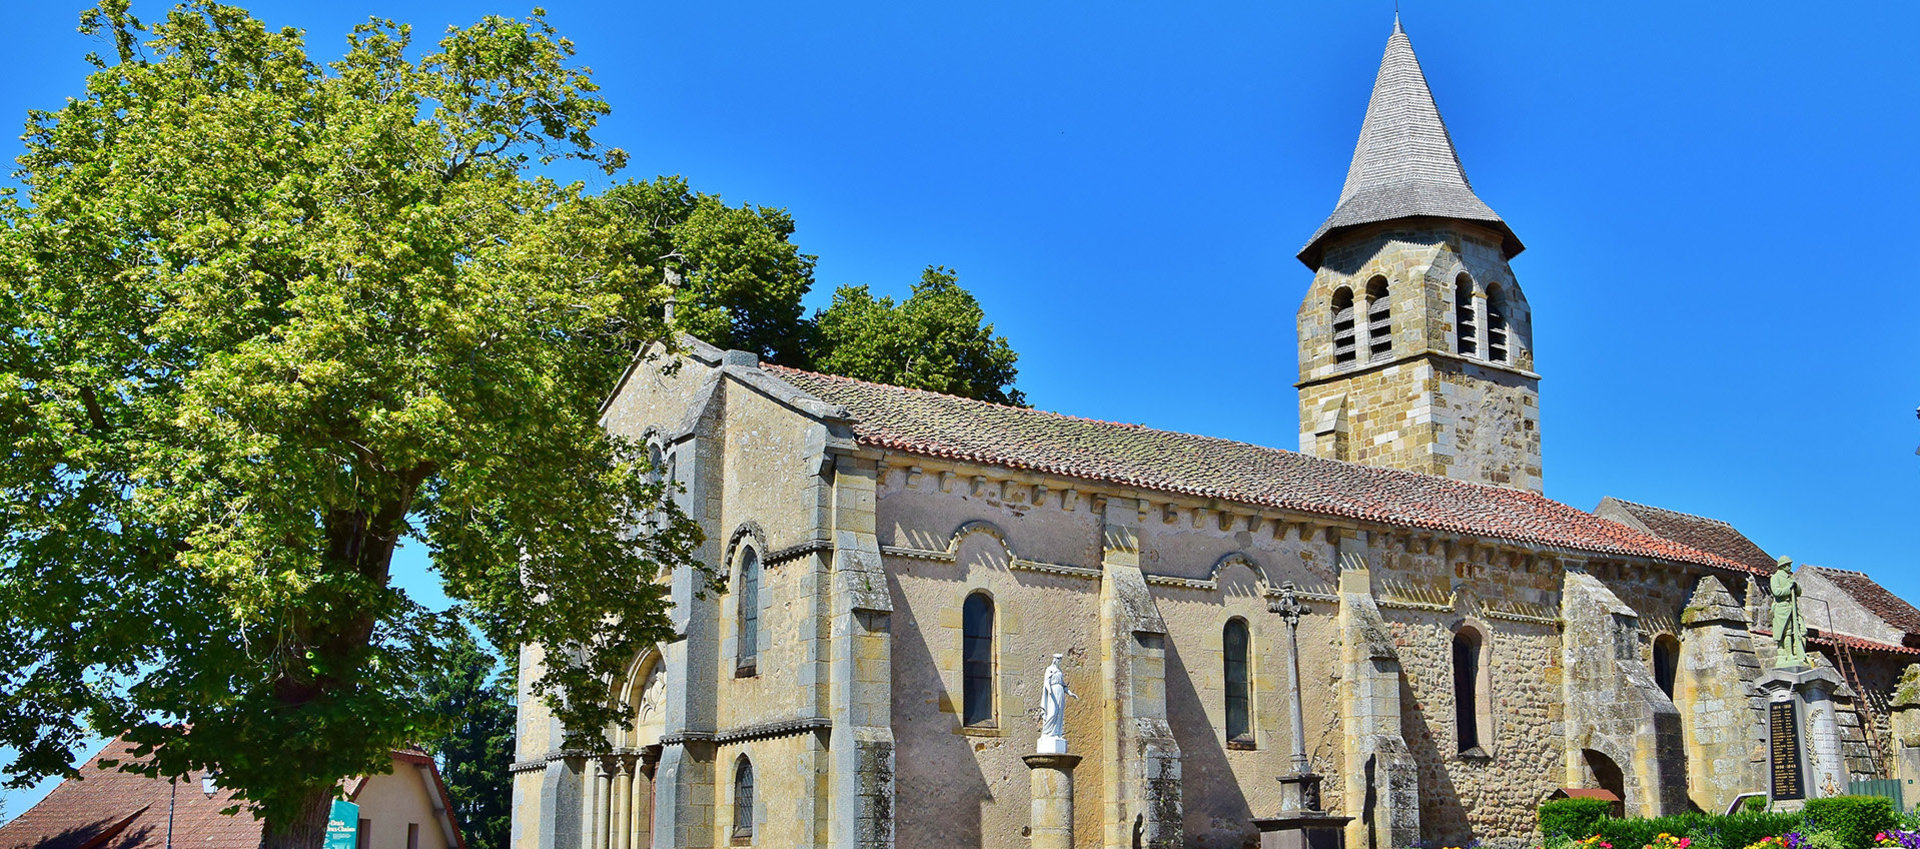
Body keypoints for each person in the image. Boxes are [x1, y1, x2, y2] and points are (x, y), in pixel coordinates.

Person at [1771, 556, 1808, 668]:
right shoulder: (1775, 577)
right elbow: (1777, 592)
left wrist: (1795, 586)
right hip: (1782, 609)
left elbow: (1799, 592)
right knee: (1786, 632)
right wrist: (1788, 588)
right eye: (1788, 564)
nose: (1790, 567)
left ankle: (1798, 653)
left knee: (1801, 630)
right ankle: (1789, 655)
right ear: (1782, 566)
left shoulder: (1790, 578)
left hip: (1793, 608)